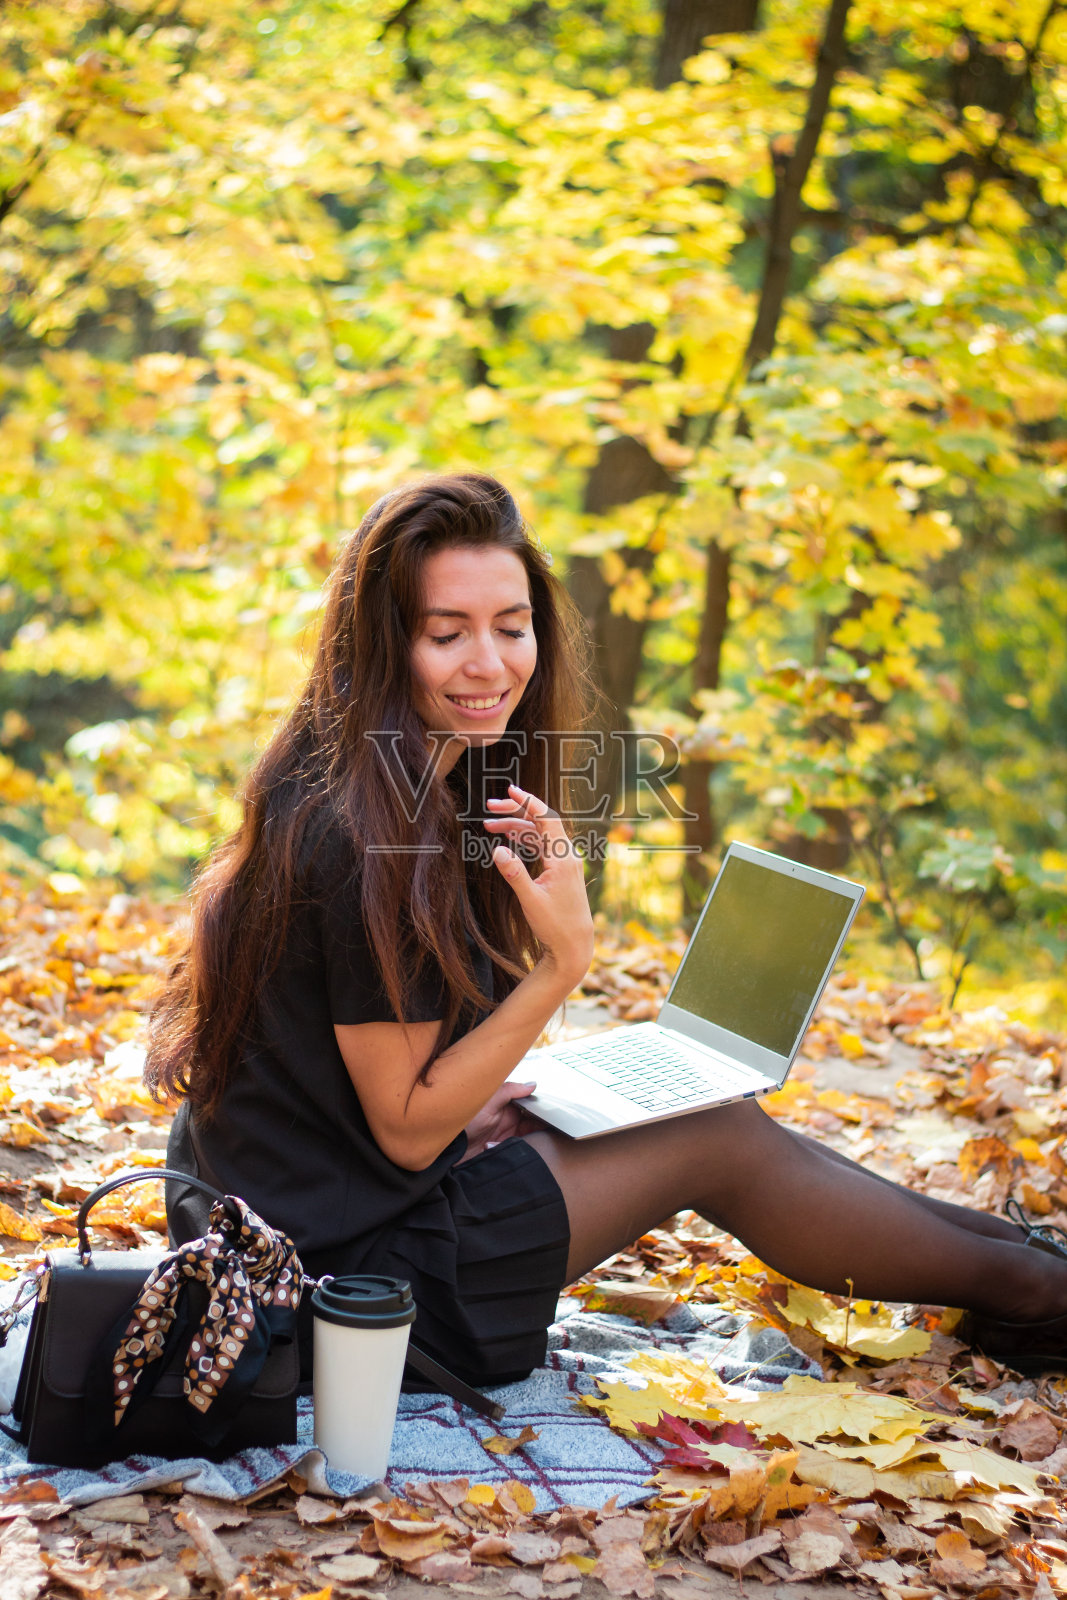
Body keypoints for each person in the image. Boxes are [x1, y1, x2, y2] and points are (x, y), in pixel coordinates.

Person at [147, 472, 1067, 1387]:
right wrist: (562, 964)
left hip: (305, 1214)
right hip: (338, 1287)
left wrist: (473, 1104)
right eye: (446, 634)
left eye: (511, 627)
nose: (489, 664)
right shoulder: (366, 835)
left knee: (709, 1110)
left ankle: (1029, 1269)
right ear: (382, 646)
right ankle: (1036, 1293)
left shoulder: (381, 779)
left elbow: (360, 1084)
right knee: (715, 1137)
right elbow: (407, 1135)